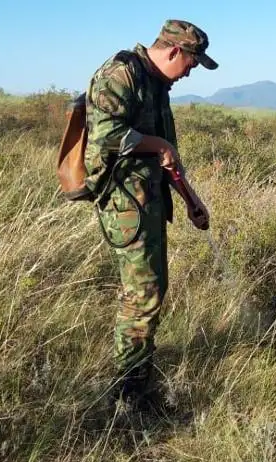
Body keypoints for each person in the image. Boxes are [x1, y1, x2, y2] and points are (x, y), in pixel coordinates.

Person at [82, 19, 217, 402]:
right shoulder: (120, 73)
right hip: (126, 204)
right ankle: (130, 392)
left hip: (150, 202)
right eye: (191, 64)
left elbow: (167, 157)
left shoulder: (159, 85)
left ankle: (138, 374)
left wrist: (192, 201)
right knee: (142, 295)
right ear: (174, 51)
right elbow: (104, 136)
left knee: (152, 290)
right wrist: (156, 143)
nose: (190, 73)